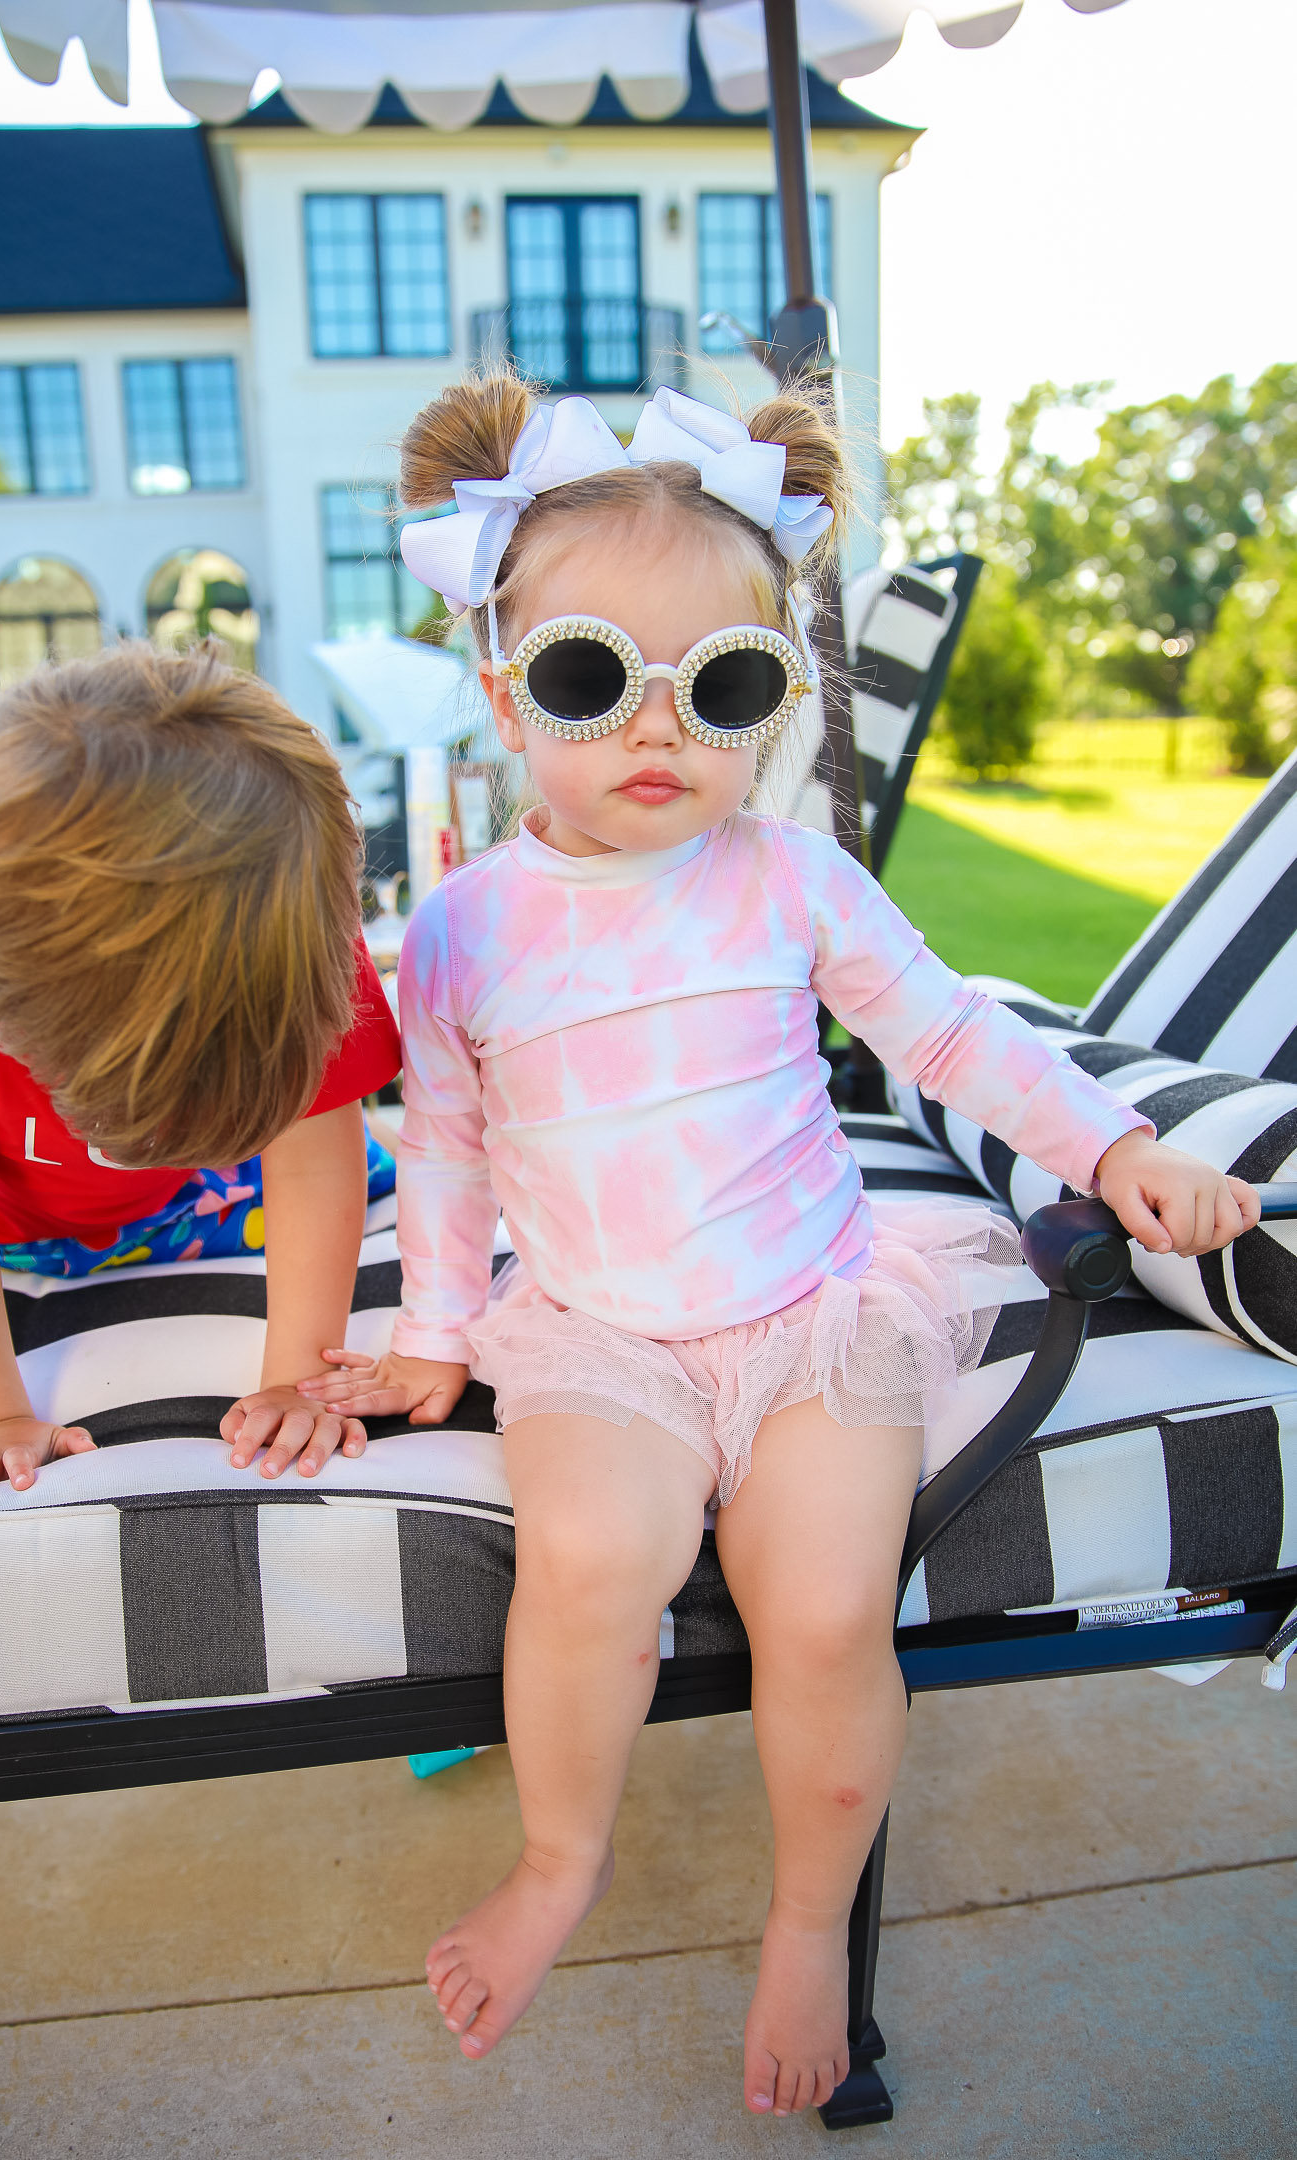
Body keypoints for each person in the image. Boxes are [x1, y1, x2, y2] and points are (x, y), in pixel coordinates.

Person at [301, 374, 1261, 2115]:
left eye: (724, 687)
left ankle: (810, 1918)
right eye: (595, 680)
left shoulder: (788, 873)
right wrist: (435, 1330)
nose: (656, 729)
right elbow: (439, 1146)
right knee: (593, 1565)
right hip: (598, 1330)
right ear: (504, 687)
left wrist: (1118, 1146)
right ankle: (558, 1859)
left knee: (825, 1610)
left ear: (777, 704)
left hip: (813, 1312)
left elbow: (955, 1036)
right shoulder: (461, 929)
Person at [0, 641, 399, 1511]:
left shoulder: (287, 905)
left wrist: (298, 1380)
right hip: (3, 1225)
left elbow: (313, 1149)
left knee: (382, 1174)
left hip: (221, 1184)